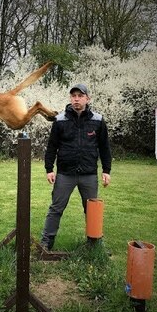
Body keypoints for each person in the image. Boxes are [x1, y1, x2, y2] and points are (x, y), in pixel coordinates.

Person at [40, 83, 112, 251]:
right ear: (70, 99)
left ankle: (95, 245)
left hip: (88, 174)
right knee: (56, 208)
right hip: (65, 173)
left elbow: (104, 147)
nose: (76, 99)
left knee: (92, 210)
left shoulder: (98, 121)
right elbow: (52, 147)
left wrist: (106, 171)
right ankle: (46, 243)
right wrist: (49, 169)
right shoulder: (60, 120)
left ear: (87, 98)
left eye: (80, 96)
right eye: (73, 96)